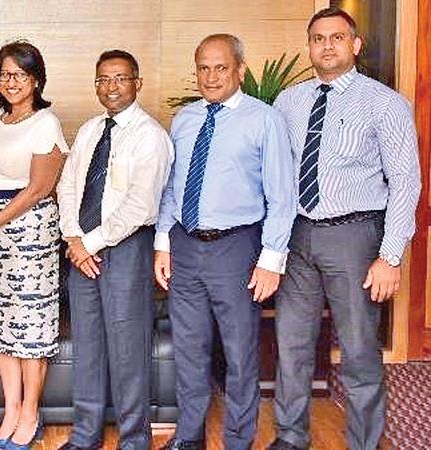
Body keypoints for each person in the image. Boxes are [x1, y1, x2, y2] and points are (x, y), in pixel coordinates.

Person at [268, 8, 420, 450]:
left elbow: (406, 181)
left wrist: (390, 256)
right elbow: (275, 177)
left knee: (358, 352)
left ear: (355, 45)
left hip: (354, 238)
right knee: (292, 346)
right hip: (297, 237)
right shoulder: (288, 102)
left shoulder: (384, 103)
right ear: (309, 46)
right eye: (318, 38)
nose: (327, 45)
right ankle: (291, 438)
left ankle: (364, 443)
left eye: (337, 37)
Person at [154, 34, 295, 450]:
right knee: (189, 350)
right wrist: (163, 241)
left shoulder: (263, 119)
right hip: (184, 244)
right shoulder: (184, 119)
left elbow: (282, 196)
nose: (211, 76)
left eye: (221, 67)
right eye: (203, 67)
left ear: (240, 70)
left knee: (239, 353)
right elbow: (171, 188)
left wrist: (271, 260)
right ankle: (189, 438)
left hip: (236, 248)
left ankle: (238, 441)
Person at [56, 49, 173, 450]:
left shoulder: (150, 136)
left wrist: (87, 243)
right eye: (103, 79)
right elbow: (67, 184)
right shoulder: (89, 131)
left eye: (120, 78)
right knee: (87, 345)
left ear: (137, 83)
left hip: (125, 249)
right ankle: (85, 435)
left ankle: (134, 440)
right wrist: (73, 239)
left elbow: (141, 205)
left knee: (127, 347)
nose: (111, 87)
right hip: (80, 252)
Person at [0, 40, 68, 450]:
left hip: (29, 231)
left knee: (32, 330)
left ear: (36, 80)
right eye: (6, 74)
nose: (12, 82)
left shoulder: (46, 123)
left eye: (21, 75)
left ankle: (30, 414)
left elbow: (39, 188)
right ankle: (10, 410)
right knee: (2, 325)